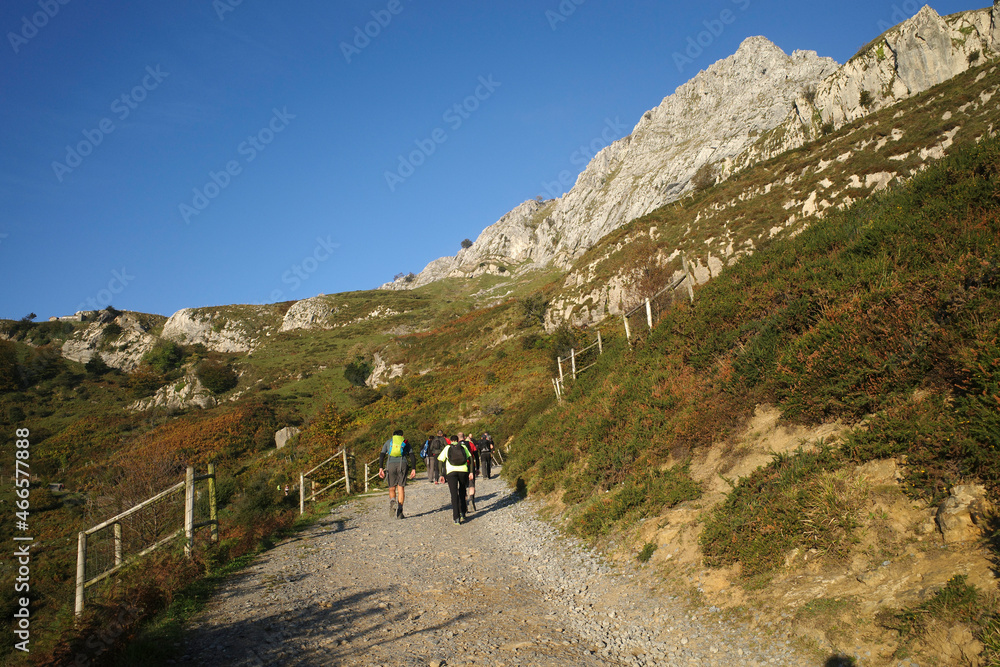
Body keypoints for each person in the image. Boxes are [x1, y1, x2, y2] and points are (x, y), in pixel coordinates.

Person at [378, 429, 416, 519]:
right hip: (402, 464)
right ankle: (400, 511)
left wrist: (380, 468)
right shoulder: (405, 443)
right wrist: (413, 468)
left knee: (391, 487)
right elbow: (412, 456)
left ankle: (392, 501)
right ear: (401, 435)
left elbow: (382, 455)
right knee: (401, 487)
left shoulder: (388, 442)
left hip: (390, 464)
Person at [438, 435, 473, 524]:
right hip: (463, 471)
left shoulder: (447, 447)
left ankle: (456, 517)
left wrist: (441, 474)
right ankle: (463, 512)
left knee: (454, 494)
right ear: (457, 440)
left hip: (451, 472)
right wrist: (471, 472)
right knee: (462, 491)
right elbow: (471, 458)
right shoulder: (463, 446)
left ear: (450, 441)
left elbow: (440, 460)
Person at [458, 432, 479, 511]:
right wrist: (477, 468)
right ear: (464, 437)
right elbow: (476, 456)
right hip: (471, 466)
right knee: (471, 484)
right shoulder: (470, 444)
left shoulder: (456, 445)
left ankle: (464, 504)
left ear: (458, 438)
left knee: (462, 485)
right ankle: (472, 499)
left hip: (461, 468)